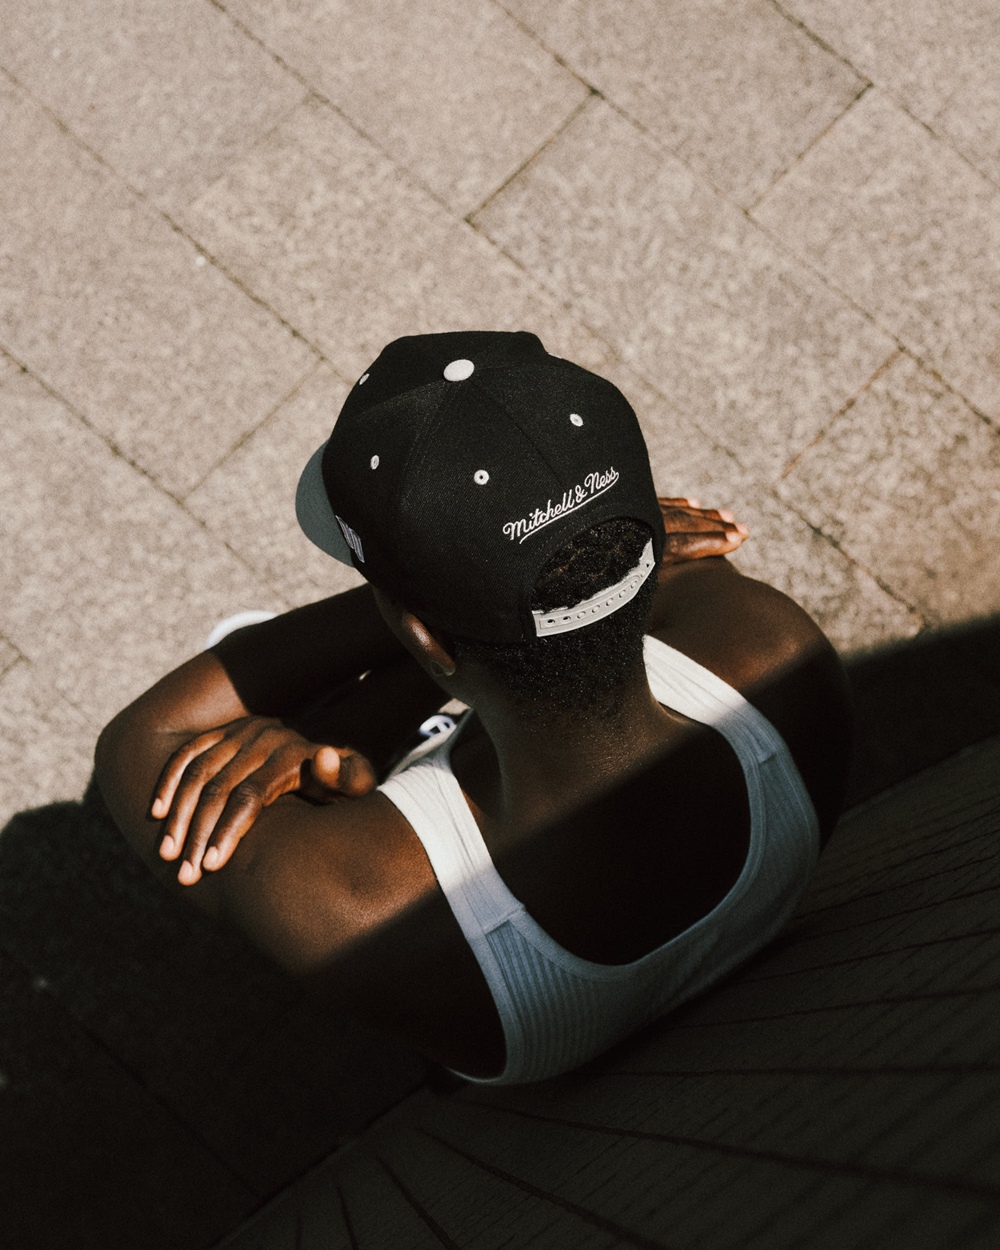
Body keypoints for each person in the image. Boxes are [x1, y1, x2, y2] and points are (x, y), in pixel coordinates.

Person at [95, 331, 852, 1084]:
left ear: (421, 633)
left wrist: (420, 613)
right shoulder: (775, 653)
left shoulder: (358, 905)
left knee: (302, 717)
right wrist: (467, 601)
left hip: (448, 807)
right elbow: (578, 621)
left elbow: (147, 734)